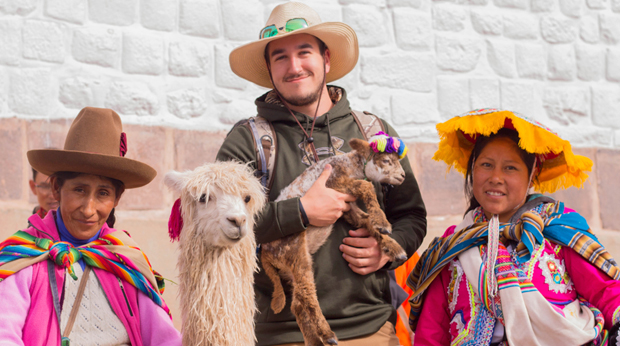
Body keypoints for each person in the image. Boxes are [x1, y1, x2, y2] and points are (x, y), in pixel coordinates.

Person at [219, 2, 427, 345]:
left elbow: (412, 216)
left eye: (304, 52)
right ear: (270, 69)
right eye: (280, 57)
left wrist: (387, 251)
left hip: (371, 330)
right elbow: (217, 228)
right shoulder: (248, 140)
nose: (294, 66)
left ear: (326, 59)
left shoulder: (374, 132)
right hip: (280, 335)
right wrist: (299, 212)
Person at [407, 109, 620, 345]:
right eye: (486, 165)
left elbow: (606, 290)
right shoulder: (453, 245)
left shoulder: (559, 228)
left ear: (532, 174)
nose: (496, 177)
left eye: (510, 168)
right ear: (473, 169)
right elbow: (432, 330)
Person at [0, 107, 181, 345]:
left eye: (103, 193)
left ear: (117, 198)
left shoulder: (126, 260)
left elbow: (164, 340)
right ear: (56, 188)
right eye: (79, 190)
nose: (88, 209)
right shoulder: (23, 257)